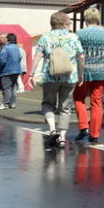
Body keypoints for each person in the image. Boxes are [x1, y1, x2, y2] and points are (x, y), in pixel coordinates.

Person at [29, 12, 84, 148]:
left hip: (50, 76)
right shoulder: (73, 37)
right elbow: (81, 57)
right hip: (69, 76)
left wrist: (31, 74)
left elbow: (37, 56)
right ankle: (62, 138)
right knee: (65, 107)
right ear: (65, 23)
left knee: (47, 104)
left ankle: (52, 129)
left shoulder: (45, 37)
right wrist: (81, 74)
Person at [73, 7, 104, 142]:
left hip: (84, 71)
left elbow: (76, 54)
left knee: (78, 98)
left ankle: (83, 126)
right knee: (97, 103)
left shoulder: (80, 33)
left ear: (86, 18)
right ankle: (94, 134)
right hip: (102, 71)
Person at [0, 33, 22, 109]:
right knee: (13, 87)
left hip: (7, 71)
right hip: (16, 70)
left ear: (7, 39)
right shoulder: (16, 47)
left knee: (6, 87)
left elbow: (2, 61)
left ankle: (5, 104)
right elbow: (20, 57)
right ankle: (12, 103)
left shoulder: (5, 48)